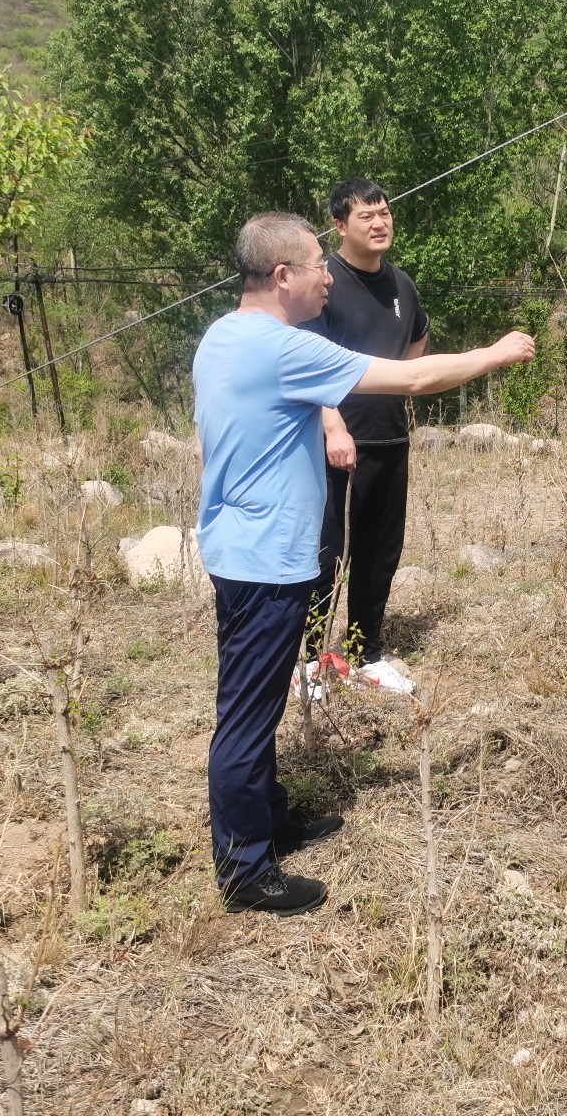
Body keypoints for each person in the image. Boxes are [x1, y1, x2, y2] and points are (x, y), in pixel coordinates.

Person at [194, 212, 534, 916]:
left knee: (250, 703)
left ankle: (268, 818)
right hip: (267, 562)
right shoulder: (279, 350)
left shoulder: (222, 336)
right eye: (317, 265)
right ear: (282, 276)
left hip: (238, 549)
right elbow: (410, 379)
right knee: (248, 715)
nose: (328, 276)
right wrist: (495, 353)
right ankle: (246, 871)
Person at [300, 179, 428, 691]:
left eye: (384, 213)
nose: (379, 223)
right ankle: (310, 659)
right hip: (330, 441)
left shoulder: (402, 285)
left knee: (381, 548)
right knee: (326, 550)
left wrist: (398, 388)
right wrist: (333, 424)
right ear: (339, 226)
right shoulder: (325, 281)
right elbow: (306, 361)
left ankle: (366, 653)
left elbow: (417, 337)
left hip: (389, 436)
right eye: (365, 216)